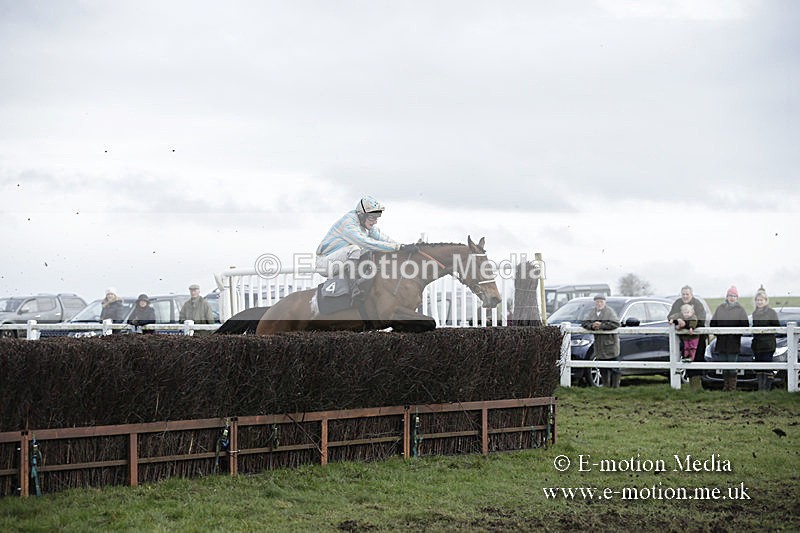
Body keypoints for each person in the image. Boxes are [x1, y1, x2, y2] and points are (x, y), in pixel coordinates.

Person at [315, 196, 402, 301]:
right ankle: (355, 287)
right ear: (362, 215)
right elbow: (367, 243)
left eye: (377, 217)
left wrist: (402, 247)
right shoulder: (348, 224)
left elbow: (382, 238)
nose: (375, 221)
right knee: (356, 249)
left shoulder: (364, 222)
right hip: (324, 263)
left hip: (339, 260)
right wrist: (396, 247)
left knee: (367, 251)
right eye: (372, 217)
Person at [668, 286, 708, 391]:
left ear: (691, 294)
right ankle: (691, 388)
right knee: (686, 360)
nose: (685, 296)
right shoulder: (677, 303)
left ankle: (698, 387)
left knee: (698, 360)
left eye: (687, 294)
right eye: (683, 294)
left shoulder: (698, 304)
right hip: (683, 339)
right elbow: (670, 317)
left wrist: (685, 324)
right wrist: (677, 321)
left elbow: (701, 321)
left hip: (697, 338)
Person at [710, 286, 749, 392]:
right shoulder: (720, 308)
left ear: (737, 298)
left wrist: (736, 333)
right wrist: (718, 333)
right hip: (721, 342)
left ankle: (732, 388)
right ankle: (725, 386)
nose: (732, 298)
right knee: (724, 366)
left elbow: (745, 325)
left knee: (732, 367)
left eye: (734, 296)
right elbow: (713, 323)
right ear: (727, 297)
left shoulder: (740, 310)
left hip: (733, 343)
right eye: (730, 295)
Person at [581, 294, 621, 388]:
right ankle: (606, 386)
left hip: (610, 344)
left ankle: (615, 388)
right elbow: (584, 323)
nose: (599, 304)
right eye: (597, 302)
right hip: (599, 345)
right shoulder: (592, 312)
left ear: (605, 302)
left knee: (615, 368)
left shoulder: (610, 311)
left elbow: (616, 323)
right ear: (594, 303)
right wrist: (592, 326)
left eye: (601, 302)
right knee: (602, 367)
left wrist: (601, 325)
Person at [751, 287, 780, 391]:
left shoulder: (771, 312)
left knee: (767, 367)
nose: (759, 302)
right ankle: (760, 389)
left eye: (761, 300)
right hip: (757, 345)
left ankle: (767, 390)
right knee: (759, 368)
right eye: (758, 300)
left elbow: (777, 326)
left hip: (768, 345)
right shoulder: (754, 313)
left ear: (766, 301)